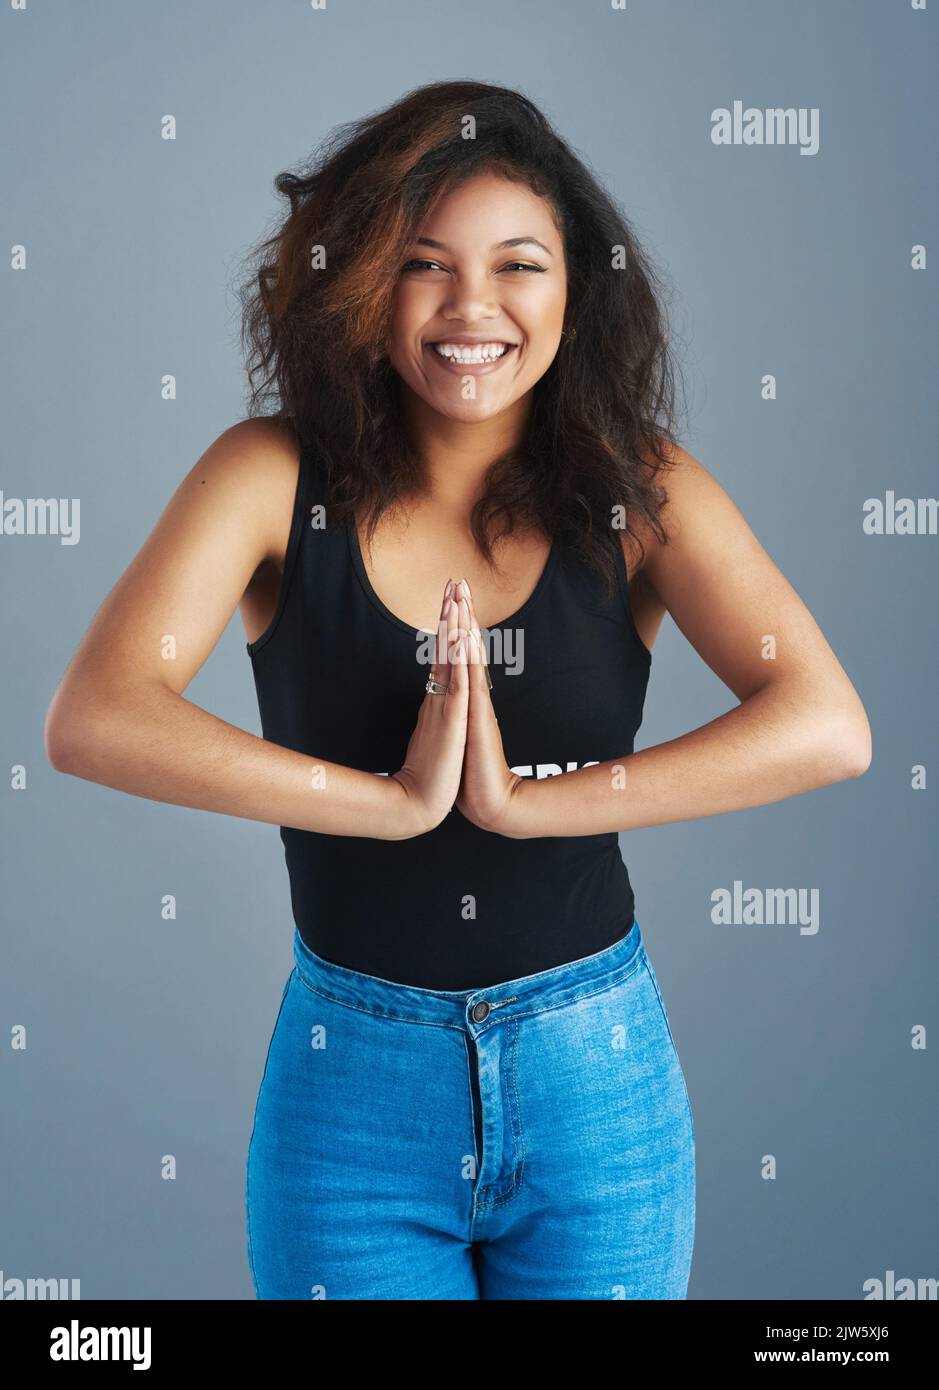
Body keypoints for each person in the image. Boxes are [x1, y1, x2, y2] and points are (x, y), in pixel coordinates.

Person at [44, 80, 871, 1300]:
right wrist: (386, 801)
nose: (471, 308)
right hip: (353, 1083)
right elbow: (96, 715)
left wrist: (529, 804)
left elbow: (830, 724)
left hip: (597, 1076)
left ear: (576, 289)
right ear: (362, 283)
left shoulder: (640, 487)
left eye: (518, 266)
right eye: (424, 264)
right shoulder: (268, 476)